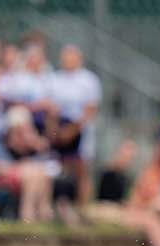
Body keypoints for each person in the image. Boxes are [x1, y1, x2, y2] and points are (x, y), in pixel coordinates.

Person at [47, 44, 101, 205]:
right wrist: (56, 130)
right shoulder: (55, 79)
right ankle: (60, 205)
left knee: (82, 170)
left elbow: (91, 109)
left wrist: (71, 131)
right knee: (59, 169)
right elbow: (51, 107)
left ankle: (83, 206)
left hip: (80, 129)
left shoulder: (88, 80)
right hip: (60, 128)